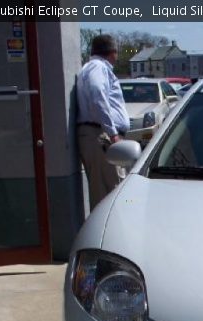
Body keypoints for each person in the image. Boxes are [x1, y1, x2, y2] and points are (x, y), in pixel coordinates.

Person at [76, 34, 130, 210]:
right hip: (100, 135)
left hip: (100, 134)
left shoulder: (93, 67)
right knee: (108, 194)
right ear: (112, 52)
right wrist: (113, 133)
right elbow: (97, 93)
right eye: (117, 52)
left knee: (109, 190)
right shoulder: (98, 67)